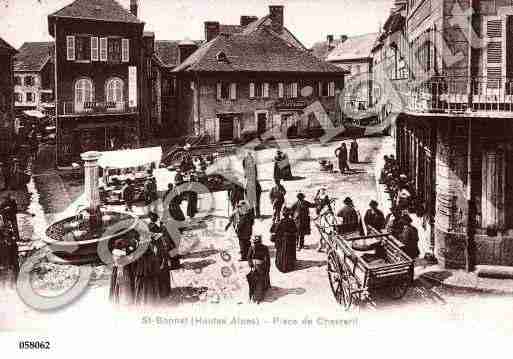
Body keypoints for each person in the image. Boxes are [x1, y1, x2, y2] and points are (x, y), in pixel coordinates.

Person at [133, 228, 171, 305]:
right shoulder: (143, 245)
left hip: (147, 267)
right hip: (145, 268)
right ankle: (147, 300)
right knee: (146, 282)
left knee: (148, 283)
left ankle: (148, 299)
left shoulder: (146, 244)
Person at [109, 236, 137, 305]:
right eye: (123, 247)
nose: (124, 248)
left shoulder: (115, 251)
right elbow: (129, 257)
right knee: (124, 284)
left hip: (119, 269)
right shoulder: (118, 252)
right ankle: (125, 300)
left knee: (118, 285)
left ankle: (118, 299)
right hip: (121, 269)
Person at [247, 235, 271, 304]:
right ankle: (255, 295)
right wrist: (250, 264)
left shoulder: (263, 248)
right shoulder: (252, 247)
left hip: (261, 265)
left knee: (259, 280)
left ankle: (259, 295)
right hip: (256, 266)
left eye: (257, 242)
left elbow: (267, 259)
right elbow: (248, 257)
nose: (256, 244)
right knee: (256, 280)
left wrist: (267, 267)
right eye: (255, 242)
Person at [272, 207, 297, 273]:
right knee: (289, 253)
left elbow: (275, 231)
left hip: (282, 241)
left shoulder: (280, 222)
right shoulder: (292, 221)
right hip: (290, 241)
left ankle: (281, 266)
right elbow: (295, 230)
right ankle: (289, 266)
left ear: (283, 214)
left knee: (281, 254)